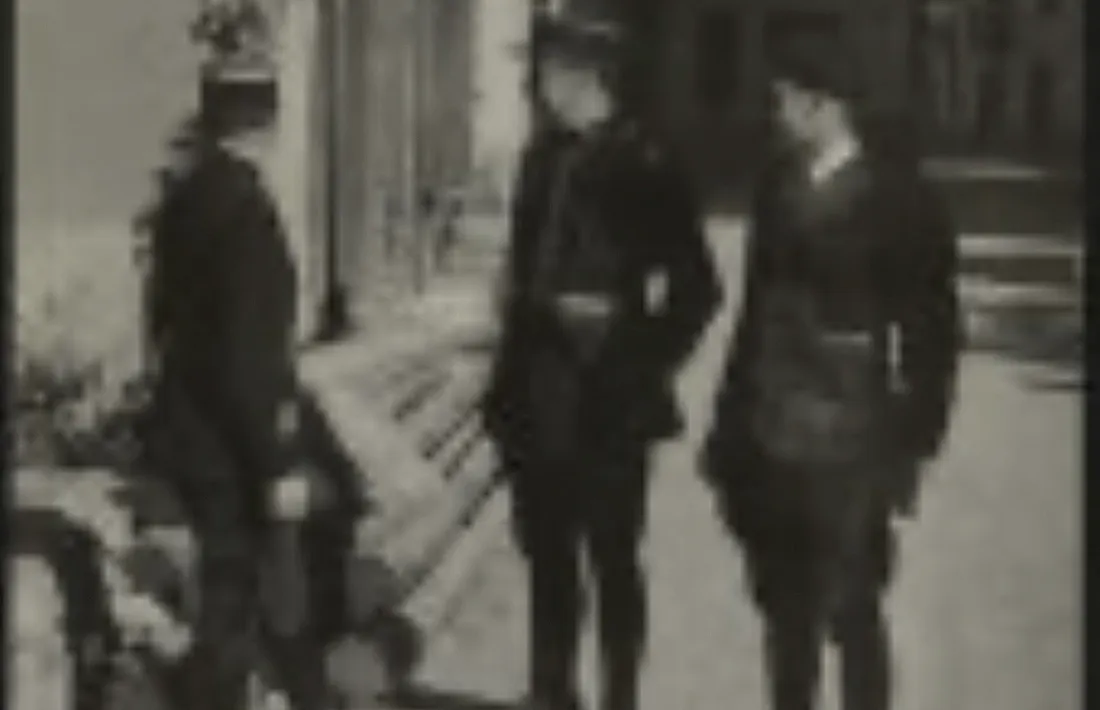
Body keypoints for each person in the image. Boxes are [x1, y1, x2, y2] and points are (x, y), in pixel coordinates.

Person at [701, 44, 961, 710]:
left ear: (824, 105)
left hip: (853, 437)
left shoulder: (900, 200)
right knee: (783, 608)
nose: (774, 111)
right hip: (773, 430)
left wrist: (914, 440)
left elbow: (932, 334)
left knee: (852, 605)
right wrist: (728, 420)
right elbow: (753, 315)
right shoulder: (776, 187)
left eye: (784, 98)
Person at [482, 12, 721, 710]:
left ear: (584, 78)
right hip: (536, 394)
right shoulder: (540, 158)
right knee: (546, 556)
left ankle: (621, 696)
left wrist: (642, 359)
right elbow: (522, 270)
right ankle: (551, 692)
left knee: (613, 559)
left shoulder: (647, 163)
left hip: (609, 401)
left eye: (547, 71)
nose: (537, 84)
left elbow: (698, 287)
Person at [142, 103, 353, 710]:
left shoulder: (185, 200)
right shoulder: (246, 216)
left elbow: (165, 324)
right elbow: (248, 359)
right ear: (268, 128)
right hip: (235, 445)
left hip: (190, 429)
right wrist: (275, 462)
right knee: (241, 602)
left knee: (230, 594)